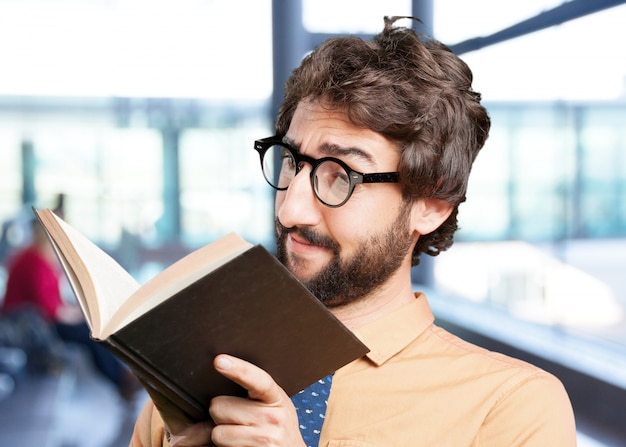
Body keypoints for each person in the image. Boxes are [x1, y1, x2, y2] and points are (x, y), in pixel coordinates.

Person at [130, 16, 576, 446]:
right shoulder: (194, 372)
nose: (290, 210)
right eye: (291, 161)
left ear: (431, 205)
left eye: (339, 174)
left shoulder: (512, 408)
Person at [1, 218, 139, 401]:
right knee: (91, 334)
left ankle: (122, 377)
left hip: (38, 319)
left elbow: (53, 301)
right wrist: (76, 315)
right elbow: (48, 308)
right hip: (28, 324)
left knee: (92, 328)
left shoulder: (39, 258)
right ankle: (121, 380)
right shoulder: (34, 260)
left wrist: (76, 312)